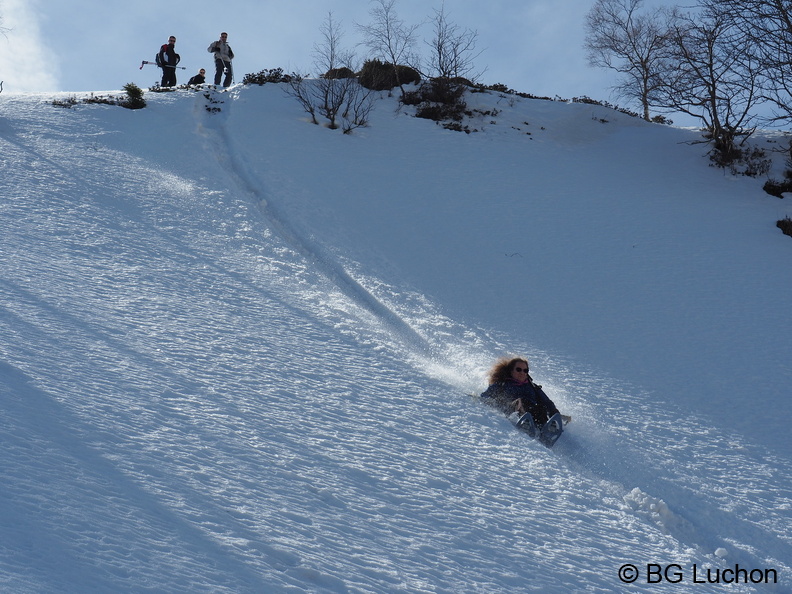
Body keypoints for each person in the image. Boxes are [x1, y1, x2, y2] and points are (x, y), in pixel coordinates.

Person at [480, 357, 562, 429]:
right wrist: (492, 403)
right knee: (521, 401)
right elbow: (485, 396)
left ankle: (546, 429)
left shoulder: (532, 387)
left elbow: (547, 402)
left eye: (525, 370)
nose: (522, 373)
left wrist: (554, 412)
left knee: (541, 408)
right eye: (518, 369)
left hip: (532, 412)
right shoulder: (502, 384)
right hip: (510, 410)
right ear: (511, 371)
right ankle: (525, 423)